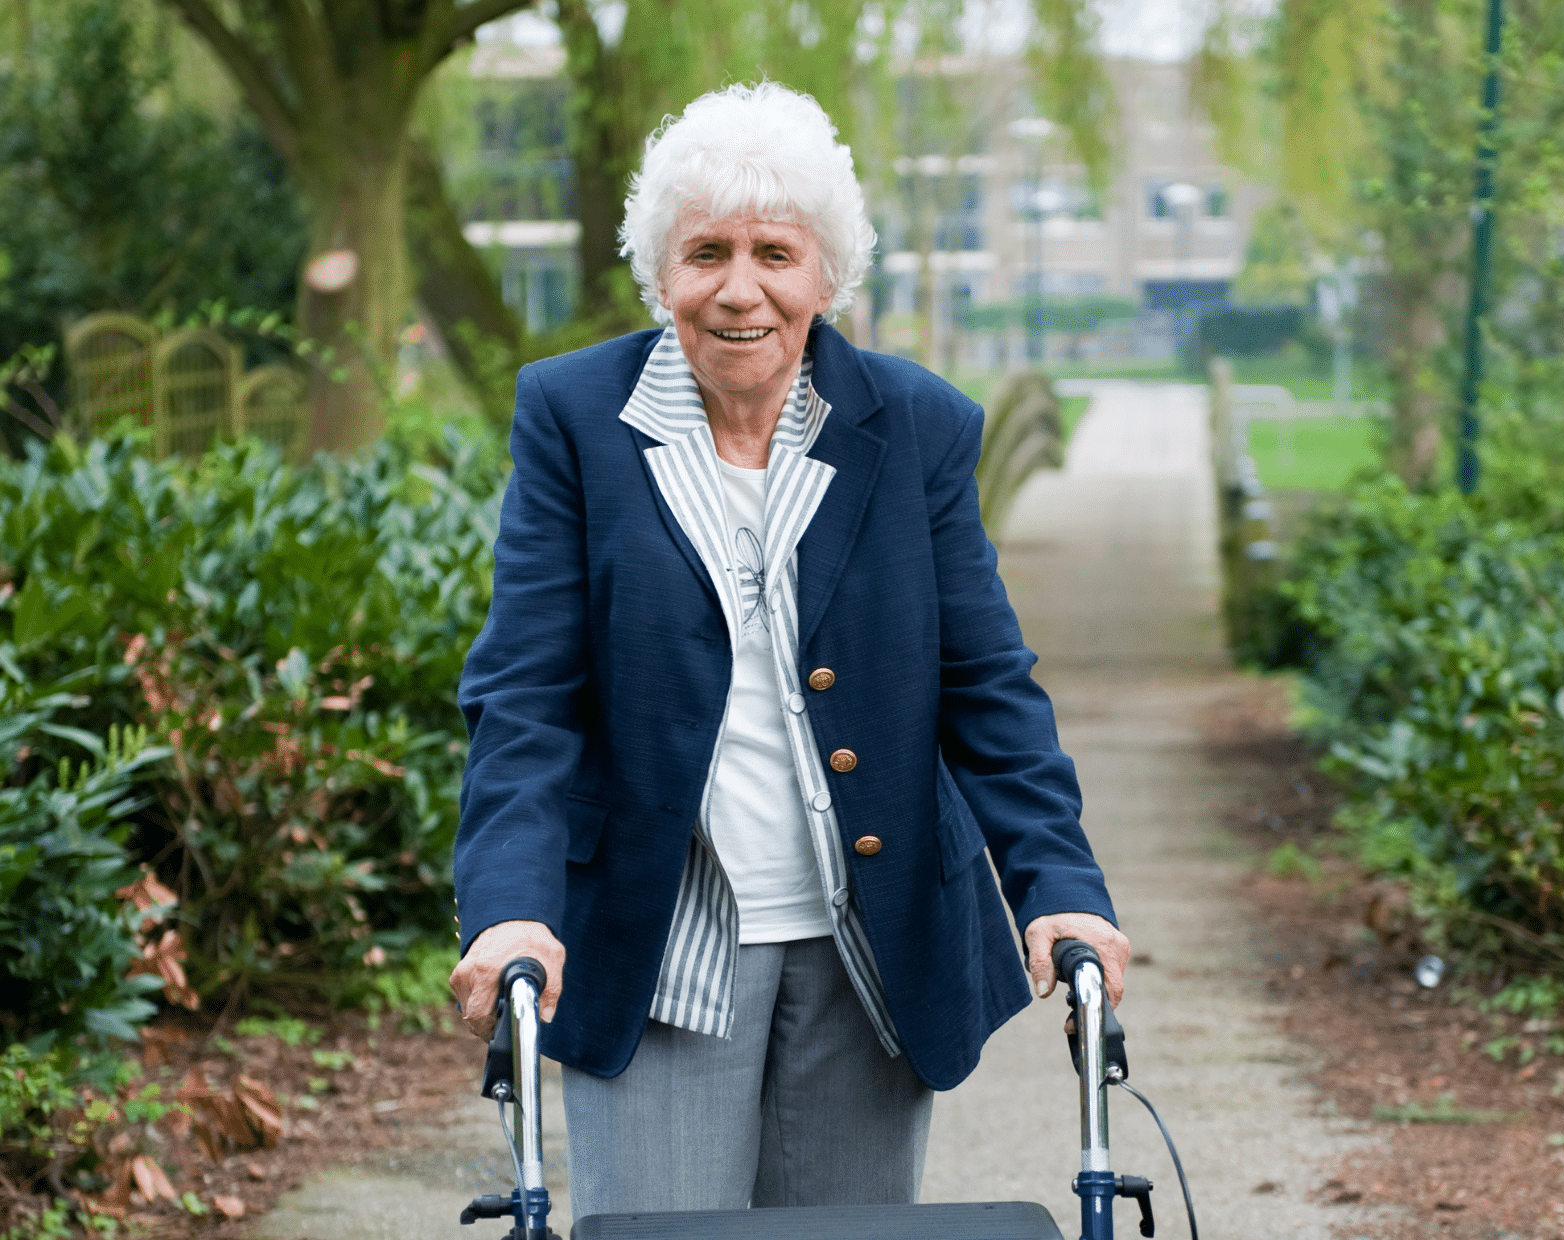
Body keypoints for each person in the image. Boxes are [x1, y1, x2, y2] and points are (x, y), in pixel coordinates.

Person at [447, 81, 1128, 1220]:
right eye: (705, 250)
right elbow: (527, 696)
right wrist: (509, 905)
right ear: (660, 272)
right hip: (664, 945)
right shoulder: (575, 419)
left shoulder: (914, 426)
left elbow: (984, 687)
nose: (739, 287)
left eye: (775, 250)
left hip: (870, 943)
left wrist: (1057, 886)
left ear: (826, 274)